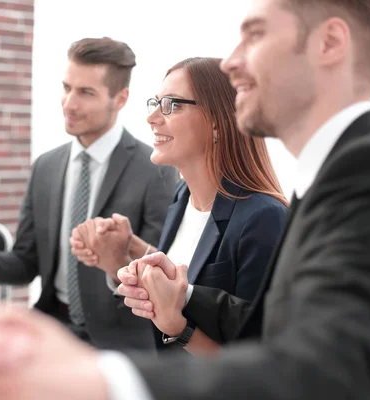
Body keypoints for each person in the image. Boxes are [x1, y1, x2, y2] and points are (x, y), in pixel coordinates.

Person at [0, 0, 370, 399]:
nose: (233, 62)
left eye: (256, 33)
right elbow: (260, 328)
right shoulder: (330, 175)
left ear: (330, 42)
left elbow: (328, 371)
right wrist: (151, 273)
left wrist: (98, 381)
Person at [0, 37, 179, 350]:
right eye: (67, 88)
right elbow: (25, 263)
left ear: (120, 99)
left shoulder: (156, 170)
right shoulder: (46, 167)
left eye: (85, 92)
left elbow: (161, 275)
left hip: (121, 338)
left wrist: (115, 260)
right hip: (52, 325)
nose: (69, 103)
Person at [70, 57, 287, 355]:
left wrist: (178, 329)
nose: (152, 118)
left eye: (172, 104)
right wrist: (129, 251)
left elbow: (258, 363)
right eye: (155, 103)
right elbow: (183, 278)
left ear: (217, 123)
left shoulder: (264, 218)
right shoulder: (182, 195)